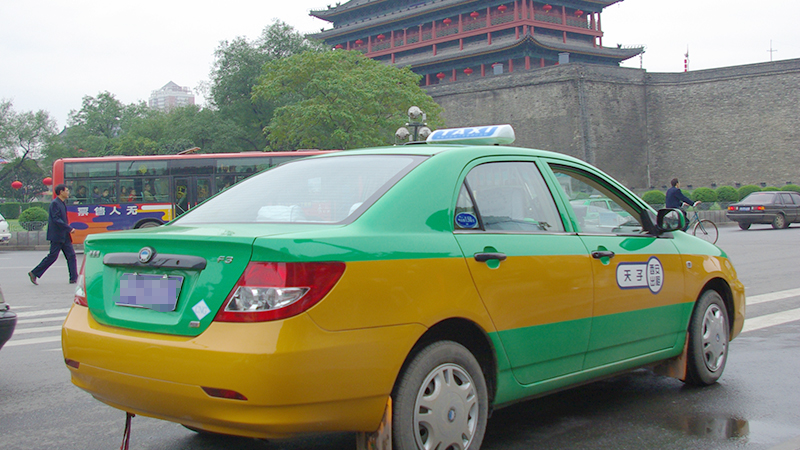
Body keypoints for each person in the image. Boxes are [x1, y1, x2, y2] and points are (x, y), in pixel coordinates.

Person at [28, 184, 78, 285]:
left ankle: (74, 278)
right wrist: (69, 228)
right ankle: (34, 273)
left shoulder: (62, 203)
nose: (68, 193)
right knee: (52, 256)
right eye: (67, 191)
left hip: (64, 236)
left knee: (71, 255)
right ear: (61, 192)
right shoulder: (55, 203)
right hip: (57, 235)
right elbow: (56, 219)